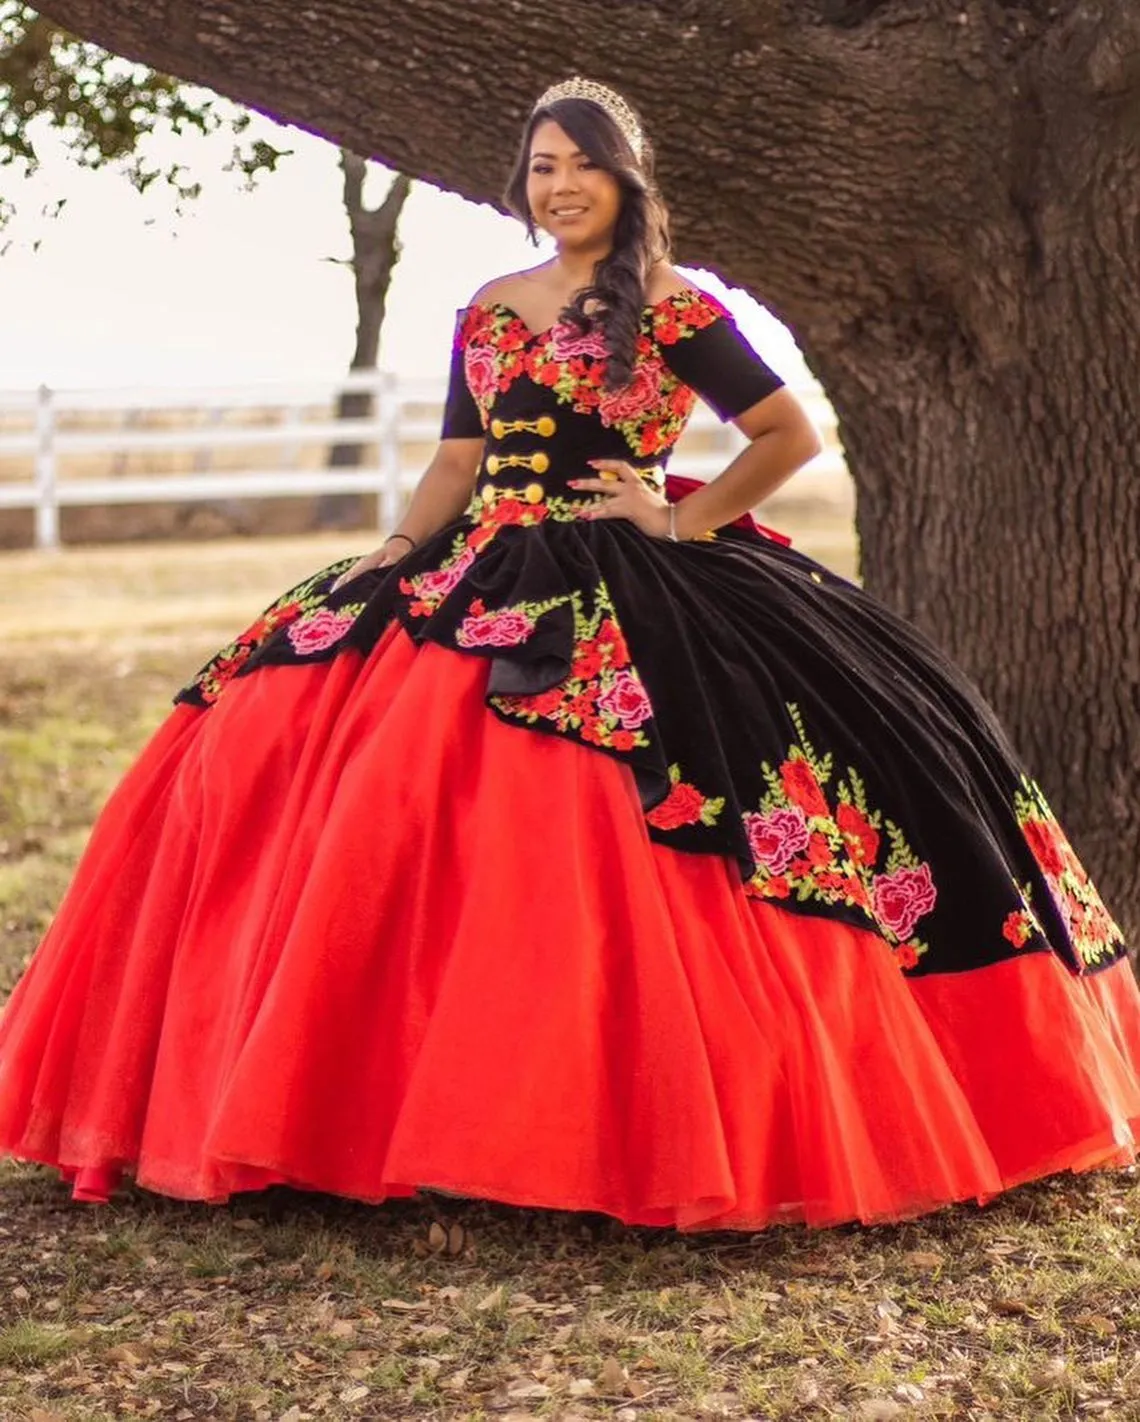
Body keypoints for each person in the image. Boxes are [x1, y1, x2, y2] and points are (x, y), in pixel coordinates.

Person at [0, 76, 1136, 1232]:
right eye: (542, 166)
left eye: (582, 164)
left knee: (665, 813)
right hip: (484, 561)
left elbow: (786, 433)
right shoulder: (490, 306)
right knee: (303, 749)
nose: (561, 185)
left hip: (632, 570)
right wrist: (390, 550)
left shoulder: (671, 305)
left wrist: (680, 519)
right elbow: (458, 463)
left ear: (625, 176)